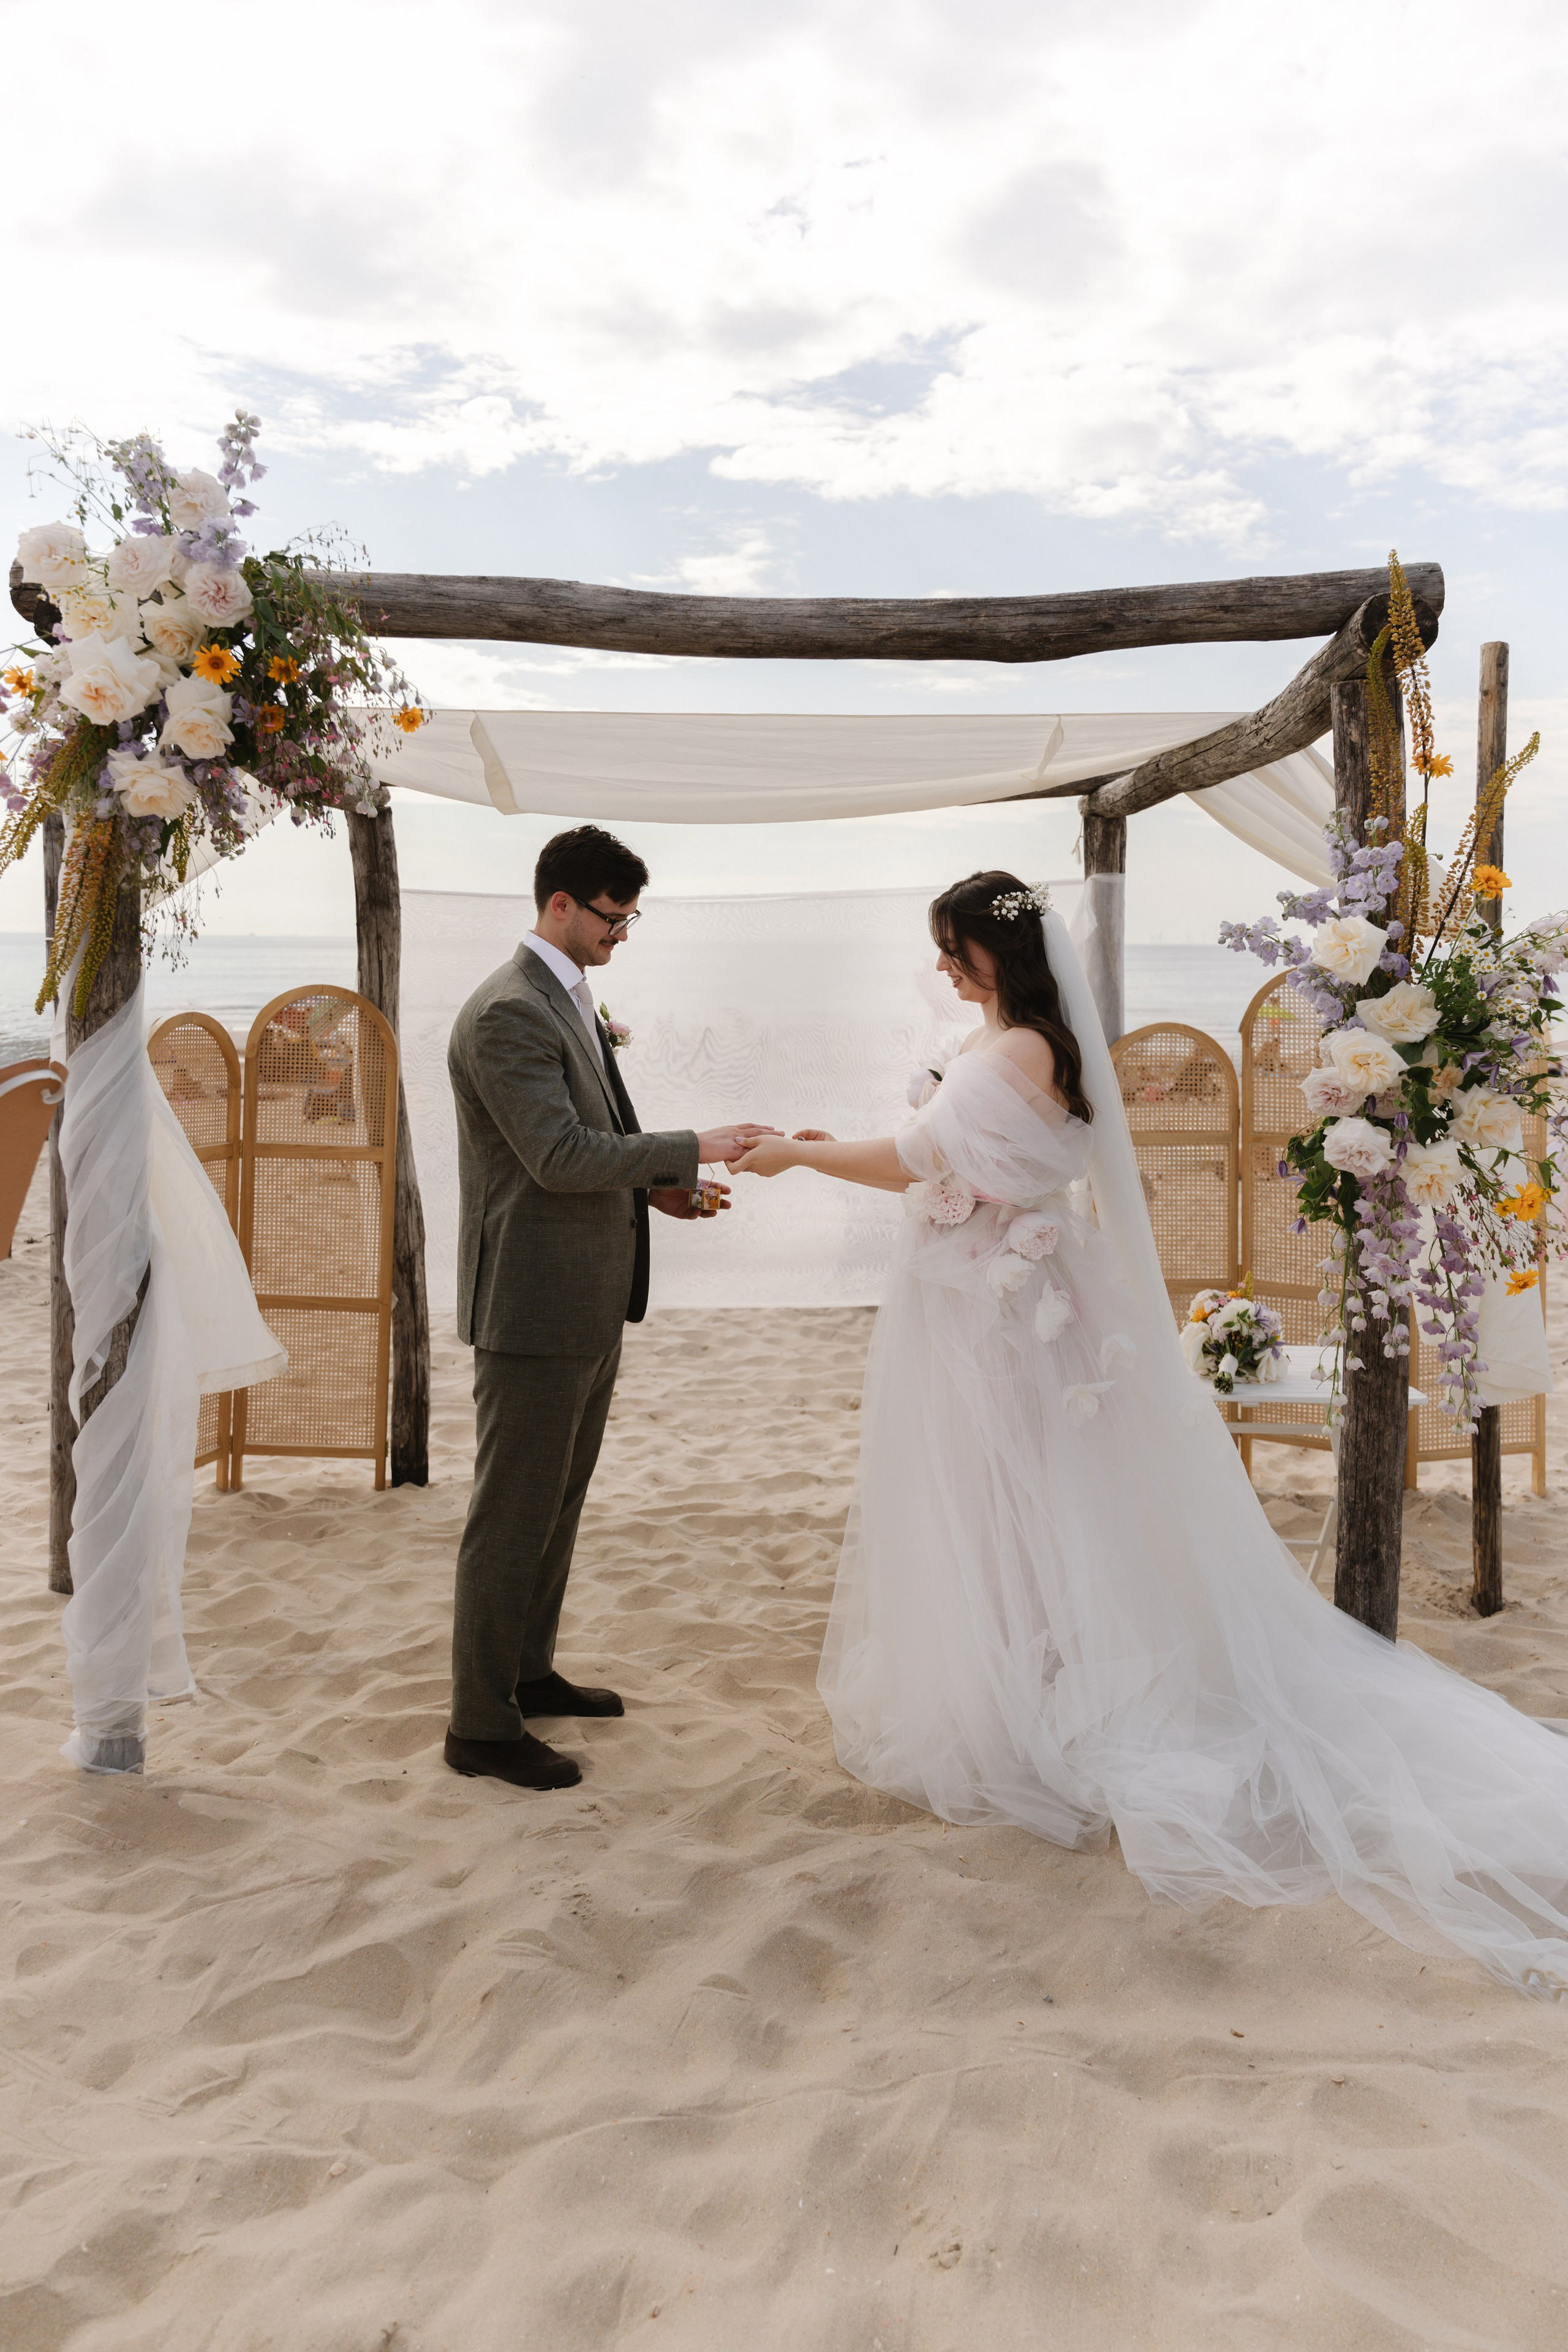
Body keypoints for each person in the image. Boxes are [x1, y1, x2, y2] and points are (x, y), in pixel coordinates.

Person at [733, 870, 1568, 1998]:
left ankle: (1061, 1700)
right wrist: (868, 1145)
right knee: (1012, 1511)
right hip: (997, 1309)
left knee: (1038, 1506)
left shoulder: (1026, 1047)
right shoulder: (1008, 1043)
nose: (941, 969)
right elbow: (938, 1152)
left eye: (953, 951)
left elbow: (919, 1162)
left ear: (1000, 956)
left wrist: (796, 1157)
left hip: (1014, 1323)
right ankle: (1036, 1680)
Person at [445, 824, 775, 1792]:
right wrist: (694, 1146)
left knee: (558, 1503)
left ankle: (526, 1673)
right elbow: (555, 1157)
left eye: (631, 918)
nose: (622, 934)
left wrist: (658, 1192)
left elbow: (591, 1142)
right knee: (511, 1516)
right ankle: (479, 1724)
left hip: (586, 1294)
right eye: (612, 917)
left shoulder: (566, 997)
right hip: (532, 1301)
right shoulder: (508, 1011)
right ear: (559, 905)